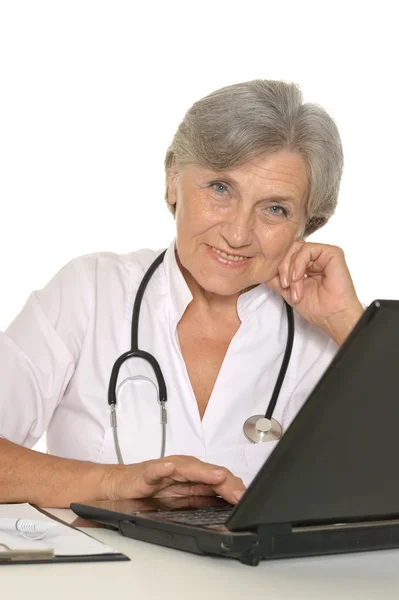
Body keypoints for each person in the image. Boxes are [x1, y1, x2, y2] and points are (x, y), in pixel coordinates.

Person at [0, 79, 364, 508]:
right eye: (220, 188)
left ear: (309, 225)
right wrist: (115, 484)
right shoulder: (90, 292)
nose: (237, 232)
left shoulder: (332, 338)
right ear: (173, 179)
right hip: (102, 576)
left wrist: (348, 321)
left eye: (275, 209)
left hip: (265, 577)